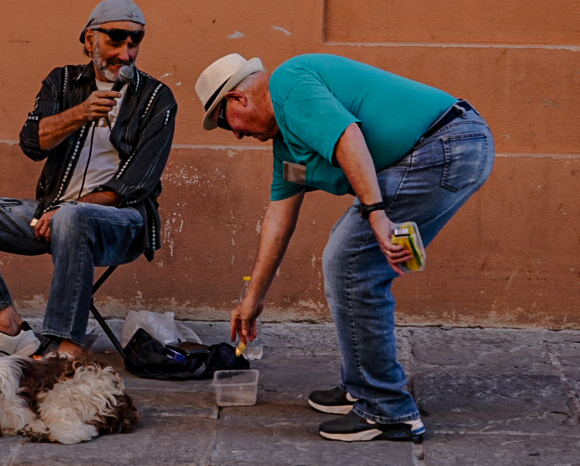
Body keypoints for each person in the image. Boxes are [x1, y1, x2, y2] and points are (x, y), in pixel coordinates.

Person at [195, 52, 493, 442]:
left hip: (444, 144)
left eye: (224, 123)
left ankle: (388, 408)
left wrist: (377, 215)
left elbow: (347, 137)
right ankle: (362, 386)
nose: (234, 134)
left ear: (238, 99)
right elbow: (278, 221)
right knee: (347, 260)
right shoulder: (287, 148)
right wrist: (253, 300)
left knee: (350, 263)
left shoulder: (287, 83)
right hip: (448, 146)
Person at [0, 0, 177, 361]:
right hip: (50, 214)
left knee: (71, 216)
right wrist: (80, 113)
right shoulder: (61, 81)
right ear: (88, 40)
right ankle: (6, 323)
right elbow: (32, 143)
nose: (126, 54)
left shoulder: (157, 98)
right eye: (115, 40)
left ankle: (68, 348)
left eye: (135, 41)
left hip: (121, 223)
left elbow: (134, 184)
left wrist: (69, 208)